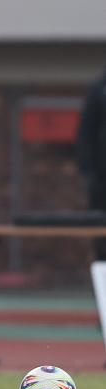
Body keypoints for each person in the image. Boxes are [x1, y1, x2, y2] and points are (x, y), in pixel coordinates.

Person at [77, 66, 106, 260]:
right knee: (100, 227)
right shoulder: (99, 90)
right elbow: (85, 132)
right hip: (102, 178)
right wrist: (89, 170)